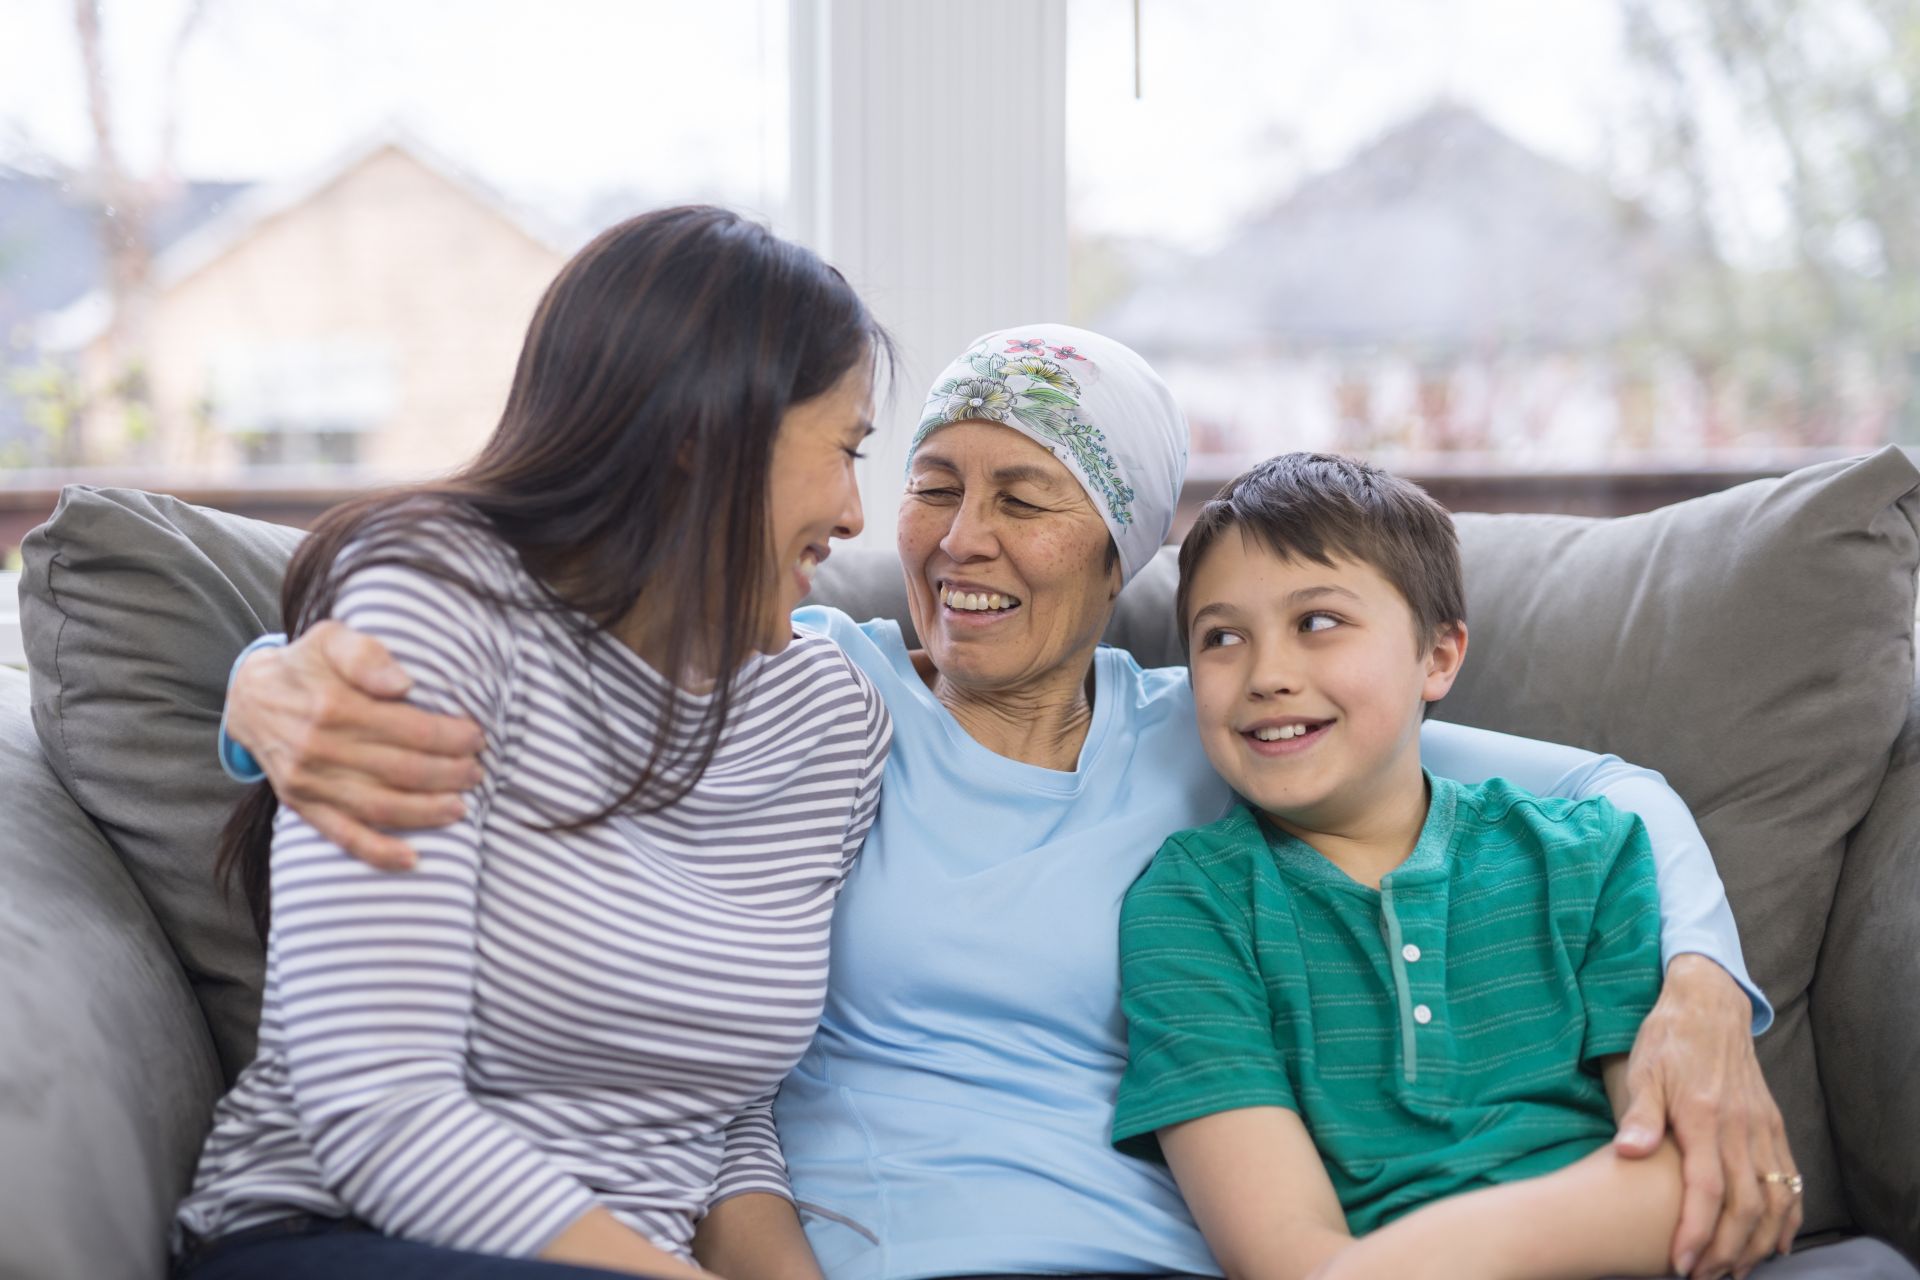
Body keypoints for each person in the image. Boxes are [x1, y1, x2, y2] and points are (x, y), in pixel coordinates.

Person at [222, 323, 1807, 1280]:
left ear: (1119, 553)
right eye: (930, 484)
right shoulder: (817, 693)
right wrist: (266, 686)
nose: (960, 537)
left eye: (1025, 497)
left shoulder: (1226, 727)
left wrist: (1696, 986)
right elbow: (553, 665)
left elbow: (1614, 790)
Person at [174, 206, 894, 1280]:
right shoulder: (437, 612)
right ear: (707, 432)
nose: (853, 514)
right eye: (844, 450)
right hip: (346, 1233)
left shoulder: (833, 717)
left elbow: (722, 1115)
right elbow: (377, 1109)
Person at [1109, 452, 1773, 1280]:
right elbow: (1287, 1257)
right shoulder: (1190, 907)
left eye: (1317, 621)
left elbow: (1694, 1183)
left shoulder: (1587, 856)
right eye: (1222, 638)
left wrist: (1482, 1245)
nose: (1267, 675)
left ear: (1438, 657)